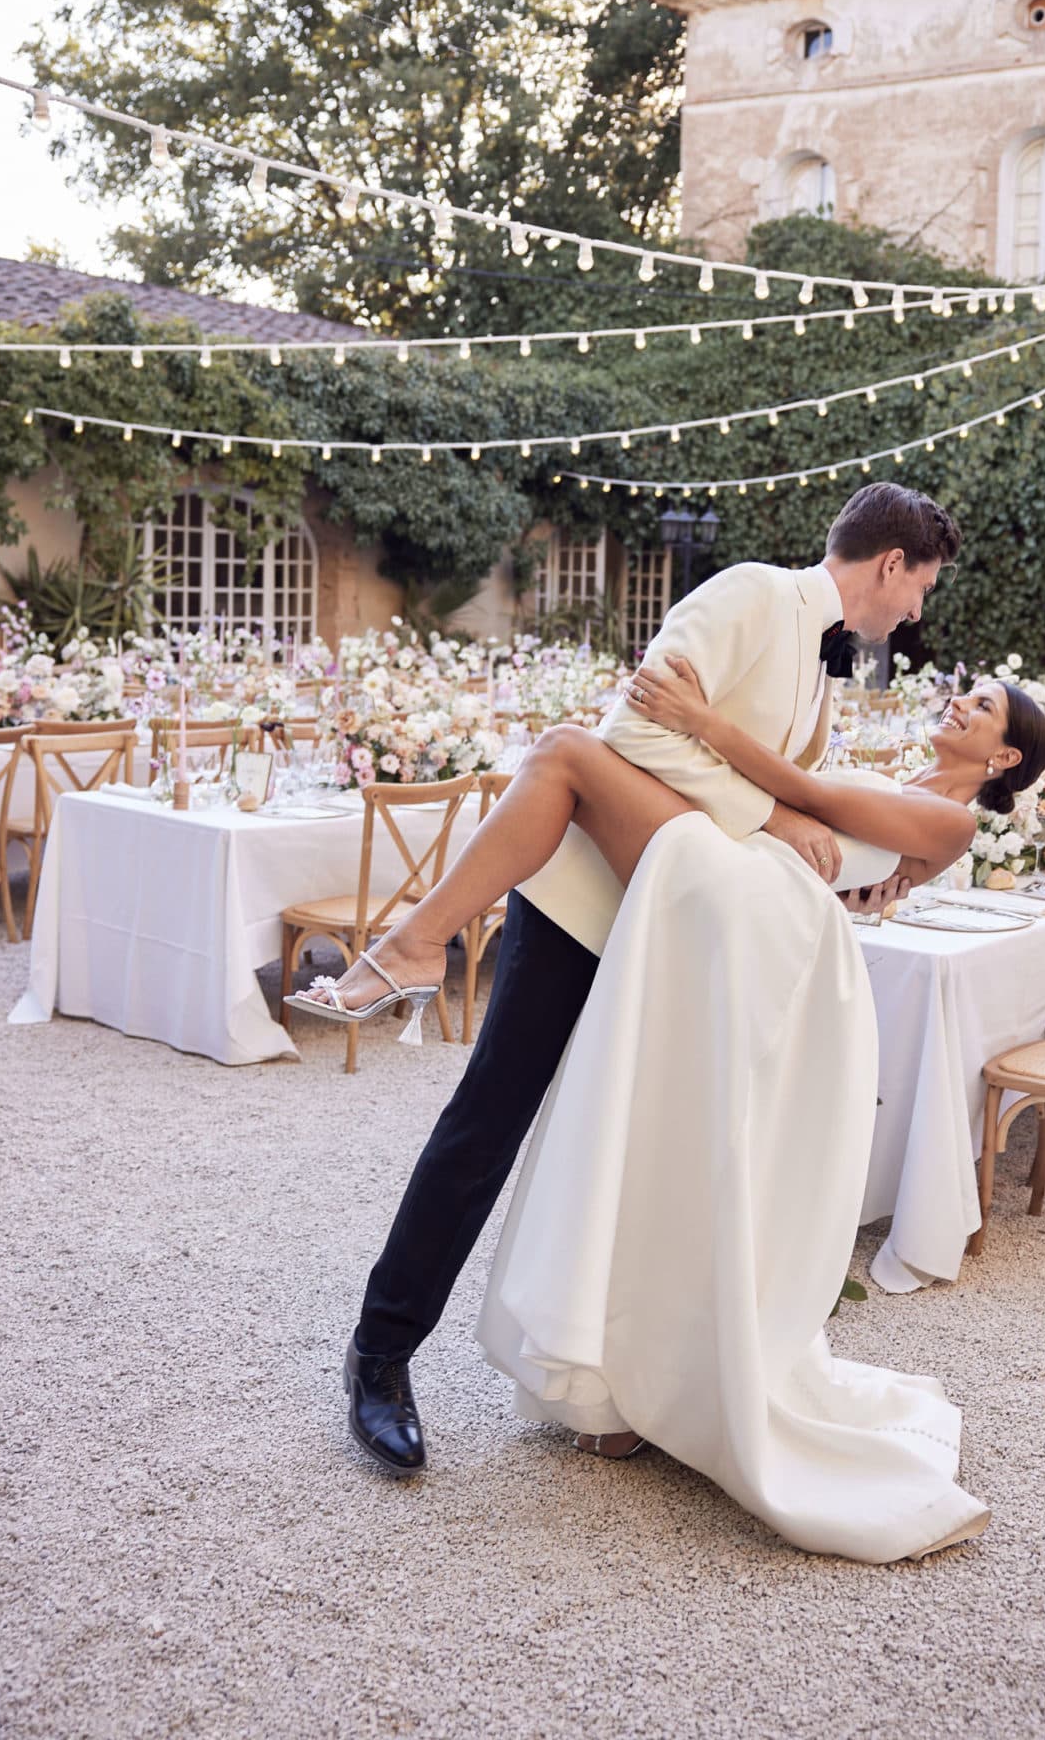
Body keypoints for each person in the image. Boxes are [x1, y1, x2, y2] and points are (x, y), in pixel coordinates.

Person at [298, 484, 962, 1477]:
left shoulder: (827, 669)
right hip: (587, 909)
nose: (915, 614)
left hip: (679, 934)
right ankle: (379, 1357)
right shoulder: (748, 593)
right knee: (488, 1126)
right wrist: (773, 822)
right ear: (890, 563)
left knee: (638, 1157)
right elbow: (634, 734)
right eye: (921, 589)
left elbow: (774, 781)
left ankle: (613, 1383)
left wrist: (847, 866)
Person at [472, 660, 1045, 1559]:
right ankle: (625, 1375)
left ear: (1006, 758)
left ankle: (425, 937)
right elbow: (807, 794)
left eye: (983, 708)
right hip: (758, 903)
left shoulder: (952, 819)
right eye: (966, 693)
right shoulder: (901, 783)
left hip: (769, 919)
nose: (961, 703)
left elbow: (799, 791)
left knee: (575, 761)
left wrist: (695, 717)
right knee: (663, 1126)